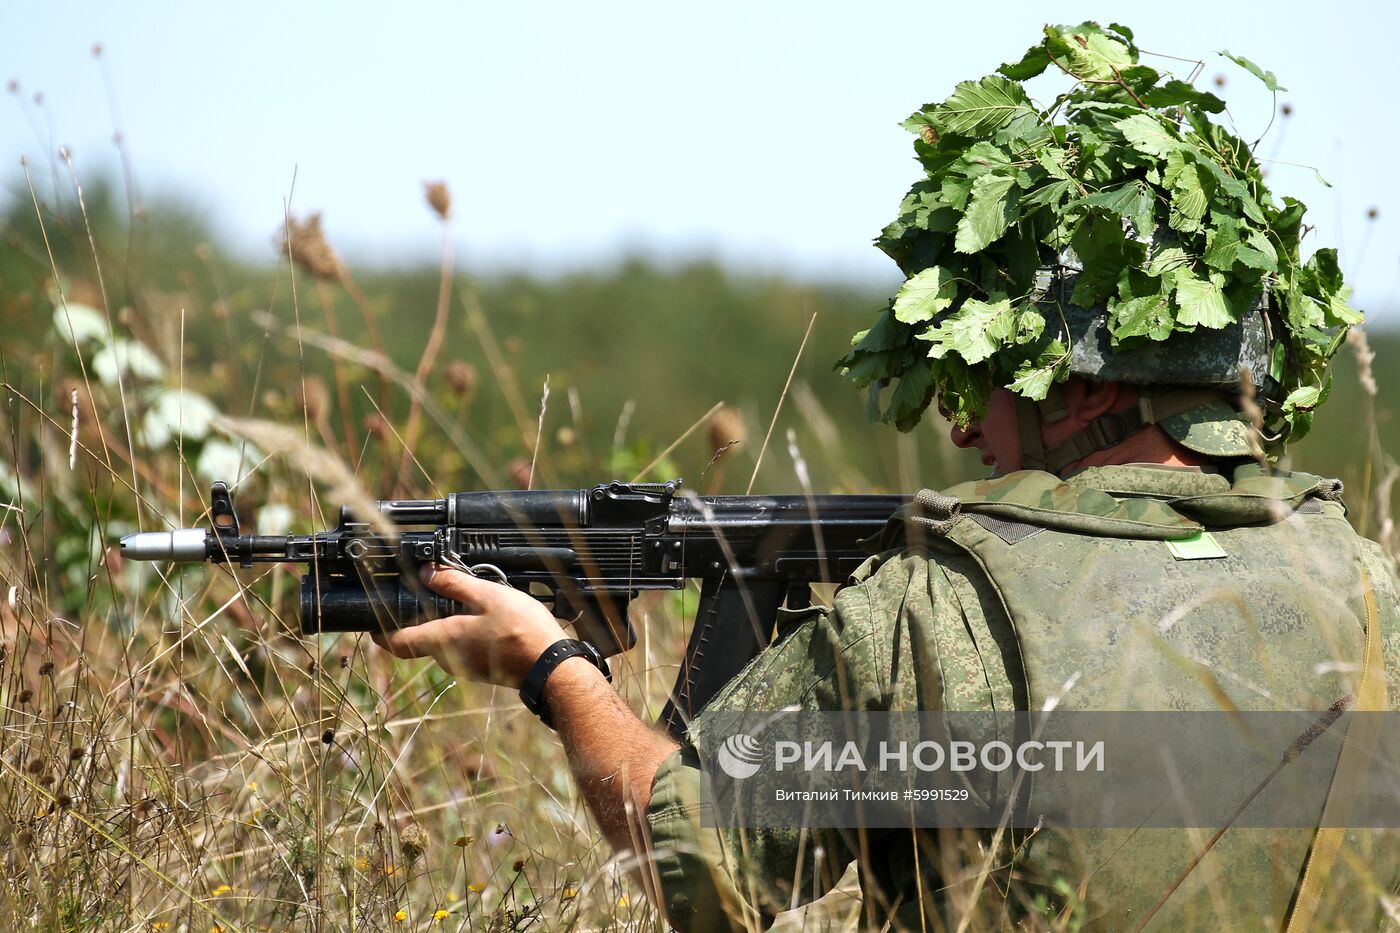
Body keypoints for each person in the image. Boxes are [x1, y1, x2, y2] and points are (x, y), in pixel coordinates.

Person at [374, 24, 1400, 931]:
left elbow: (697, 868)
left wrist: (552, 668)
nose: (961, 430)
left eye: (987, 376)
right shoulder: (1369, 599)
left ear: (1084, 393)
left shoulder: (935, 619)